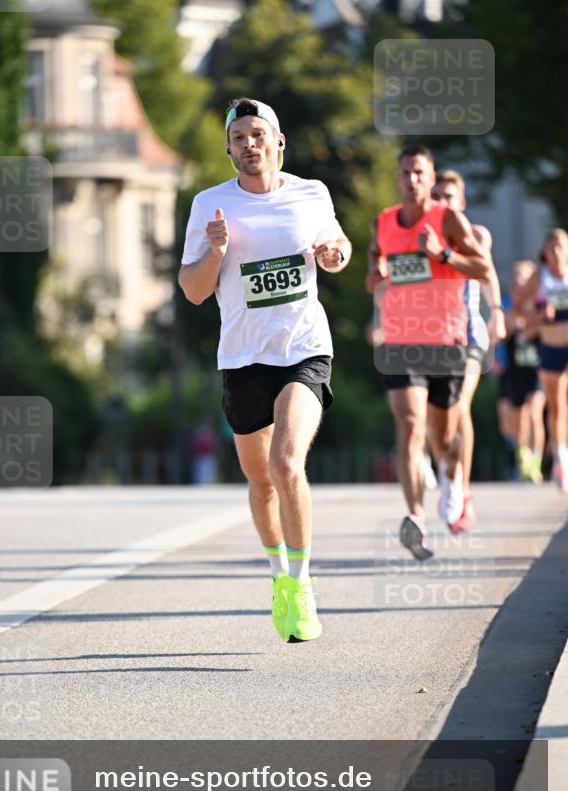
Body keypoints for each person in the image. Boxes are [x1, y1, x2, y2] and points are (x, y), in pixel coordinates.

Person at [179, 97, 352, 642]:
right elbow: (193, 291)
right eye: (238, 138)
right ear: (229, 149)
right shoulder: (211, 205)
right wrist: (215, 252)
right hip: (242, 358)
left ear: (278, 141)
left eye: (258, 134)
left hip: (303, 348)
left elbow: (339, 247)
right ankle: (279, 572)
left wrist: (334, 255)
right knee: (260, 483)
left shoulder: (311, 193)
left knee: (286, 465)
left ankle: (300, 585)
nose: (249, 145)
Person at [366, 146, 491, 560]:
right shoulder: (384, 222)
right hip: (402, 341)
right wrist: (375, 275)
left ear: (430, 175)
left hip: (446, 342)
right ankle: (415, 518)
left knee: (443, 438)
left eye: (419, 172)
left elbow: (483, 269)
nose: (412, 179)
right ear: (398, 177)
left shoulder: (447, 218)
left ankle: (454, 482)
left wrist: (441, 253)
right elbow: (375, 266)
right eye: (405, 172)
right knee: (410, 424)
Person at [430, 170, 506, 531]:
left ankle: (462, 489)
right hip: (430, 339)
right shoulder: (420, 234)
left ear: (461, 203)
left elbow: (486, 273)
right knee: (437, 418)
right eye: (437, 195)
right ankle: (448, 473)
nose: (443, 201)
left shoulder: (475, 235)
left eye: (449, 196)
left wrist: (498, 314)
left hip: (471, 336)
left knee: (459, 406)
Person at [512, 229, 568, 492]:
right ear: (544, 253)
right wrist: (539, 315)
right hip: (550, 348)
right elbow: (517, 311)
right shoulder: (539, 278)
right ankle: (560, 458)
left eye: (561, 246)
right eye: (552, 247)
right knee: (556, 408)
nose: (556, 252)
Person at [504, 261, 545, 484]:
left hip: (537, 369)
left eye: (525, 278)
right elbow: (506, 328)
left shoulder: (540, 304)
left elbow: (540, 327)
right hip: (515, 370)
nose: (520, 283)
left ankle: (536, 463)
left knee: (535, 411)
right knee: (518, 419)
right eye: (516, 279)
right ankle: (523, 459)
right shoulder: (509, 306)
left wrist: (529, 323)